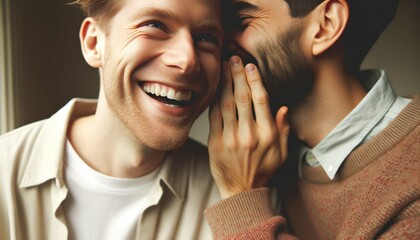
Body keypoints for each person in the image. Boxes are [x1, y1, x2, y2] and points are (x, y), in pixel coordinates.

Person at [0, 0, 234, 239]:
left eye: (207, 38)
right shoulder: (3, 172)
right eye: (155, 25)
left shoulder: (234, 197)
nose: (187, 60)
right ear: (94, 44)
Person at [205, 0, 420, 239]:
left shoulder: (413, 180)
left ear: (326, 26)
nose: (221, 43)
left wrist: (241, 195)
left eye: (242, 21)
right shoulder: (262, 155)